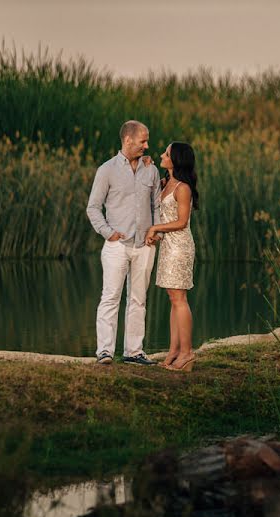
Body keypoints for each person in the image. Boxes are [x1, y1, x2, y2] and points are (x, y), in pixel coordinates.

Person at [86, 120, 161, 365]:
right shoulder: (106, 170)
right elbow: (93, 208)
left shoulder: (151, 169)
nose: (147, 145)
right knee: (110, 297)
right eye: (143, 141)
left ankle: (133, 352)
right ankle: (105, 352)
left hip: (144, 245)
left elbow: (156, 204)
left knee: (138, 299)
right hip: (116, 246)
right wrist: (108, 232)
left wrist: (156, 231)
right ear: (128, 140)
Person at [145, 142, 198, 371]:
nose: (161, 155)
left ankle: (187, 353)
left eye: (166, 154)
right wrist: (148, 166)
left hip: (180, 247)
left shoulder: (183, 188)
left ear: (175, 159)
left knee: (180, 299)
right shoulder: (167, 183)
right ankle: (174, 350)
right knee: (173, 299)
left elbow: (182, 222)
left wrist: (155, 229)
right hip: (168, 247)